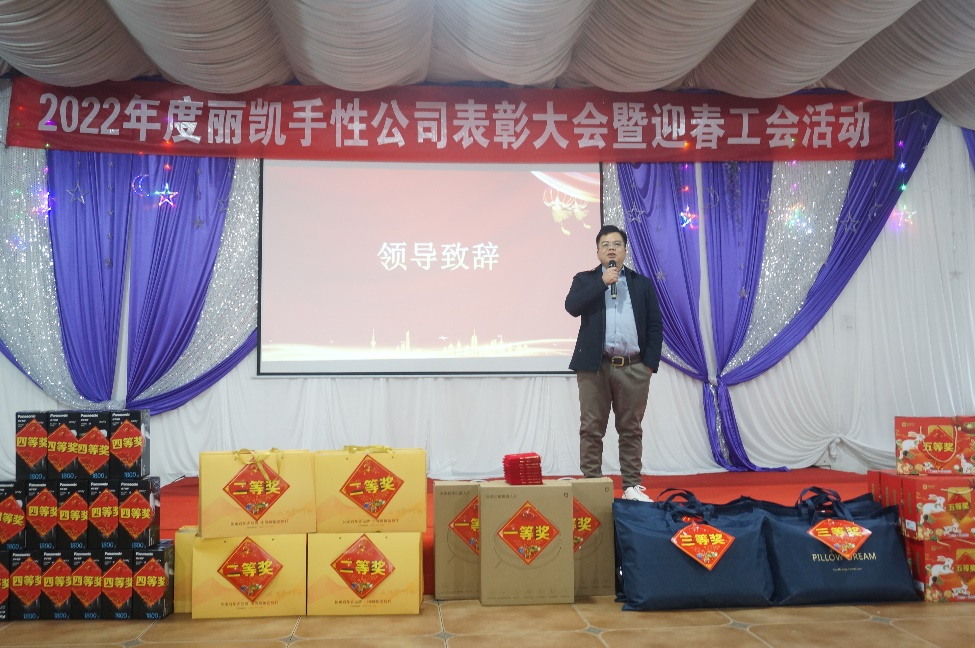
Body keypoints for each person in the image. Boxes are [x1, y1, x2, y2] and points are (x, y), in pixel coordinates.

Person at [565, 224, 663, 502]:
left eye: (617, 244)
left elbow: (655, 325)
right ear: (598, 252)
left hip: (633, 366)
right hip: (594, 367)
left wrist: (648, 365)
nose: (611, 249)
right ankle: (592, 485)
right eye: (606, 244)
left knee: (631, 429)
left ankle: (631, 486)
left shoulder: (641, 284)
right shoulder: (585, 280)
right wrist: (602, 283)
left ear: (625, 251)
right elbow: (572, 307)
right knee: (591, 427)